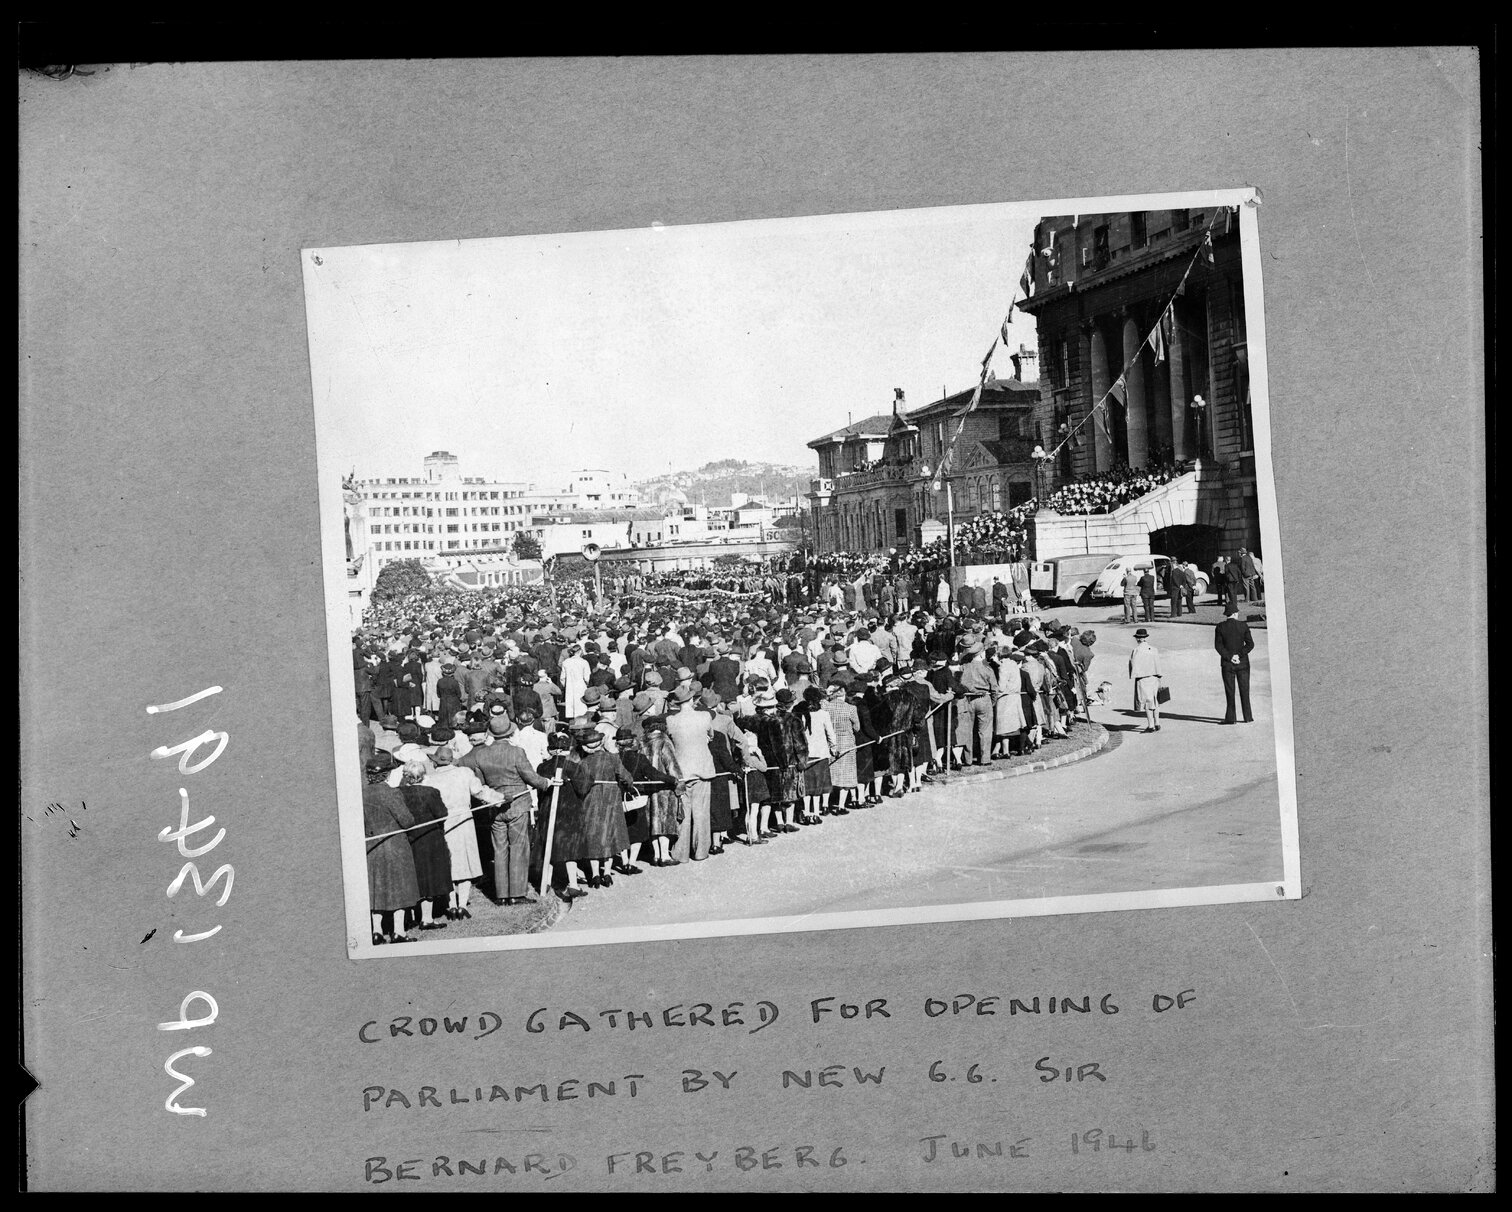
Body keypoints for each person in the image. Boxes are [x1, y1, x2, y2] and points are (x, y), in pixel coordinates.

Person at [457, 715, 556, 905]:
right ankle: (517, 894)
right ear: (511, 732)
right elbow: (531, 778)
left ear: (490, 734)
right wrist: (547, 783)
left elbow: (481, 783)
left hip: (494, 806)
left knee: (499, 849)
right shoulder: (516, 752)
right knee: (518, 847)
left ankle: (501, 894)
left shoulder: (480, 754)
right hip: (517, 805)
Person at [363, 753, 418, 945]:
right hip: (395, 847)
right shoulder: (391, 793)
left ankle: (376, 931)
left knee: (376, 888)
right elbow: (407, 821)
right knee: (399, 888)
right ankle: (399, 932)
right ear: (386, 774)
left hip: (371, 847)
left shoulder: (361, 793)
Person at [397, 761, 453, 931]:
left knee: (412, 876)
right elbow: (442, 814)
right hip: (429, 840)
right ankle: (426, 919)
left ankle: (409, 917)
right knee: (429, 877)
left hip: (408, 839)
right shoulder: (430, 792)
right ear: (422, 775)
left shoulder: (398, 793)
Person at [666, 684, 716, 860]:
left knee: (683, 814)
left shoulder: (671, 721)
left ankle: (681, 853)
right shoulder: (704, 716)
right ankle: (701, 851)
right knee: (701, 812)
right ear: (692, 700)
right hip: (703, 769)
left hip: (681, 771)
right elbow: (711, 736)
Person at [956, 638, 996, 767]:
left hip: (968, 699)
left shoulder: (964, 667)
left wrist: (972, 690)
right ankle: (985, 759)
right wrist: (992, 701)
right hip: (984, 699)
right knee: (985, 730)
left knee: (968, 730)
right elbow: (995, 688)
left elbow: (961, 682)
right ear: (981, 653)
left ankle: (967, 759)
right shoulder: (987, 668)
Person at [1214, 605, 1256, 724]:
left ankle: (1231, 718)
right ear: (1235, 614)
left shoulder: (1220, 627)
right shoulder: (1243, 626)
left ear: (1227, 614)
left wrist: (1230, 657)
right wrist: (1239, 655)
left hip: (1227, 664)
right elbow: (1250, 644)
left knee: (1230, 691)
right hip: (1243, 663)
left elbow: (1218, 646)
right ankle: (1248, 717)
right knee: (1245, 690)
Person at [1128, 628, 1164, 732]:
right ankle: (1157, 723)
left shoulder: (1136, 650)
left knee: (1147, 702)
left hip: (1143, 679)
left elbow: (1133, 665)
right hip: (1155, 677)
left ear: (1138, 639)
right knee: (1155, 701)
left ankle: (1151, 725)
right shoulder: (1154, 649)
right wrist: (1159, 676)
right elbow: (1158, 664)